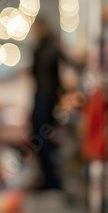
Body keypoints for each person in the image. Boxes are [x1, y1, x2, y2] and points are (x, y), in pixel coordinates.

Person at [30, 17, 63, 190]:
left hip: (43, 99)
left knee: (42, 142)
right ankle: (49, 180)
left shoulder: (44, 49)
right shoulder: (51, 48)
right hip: (45, 98)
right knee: (43, 142)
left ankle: (51, 181)